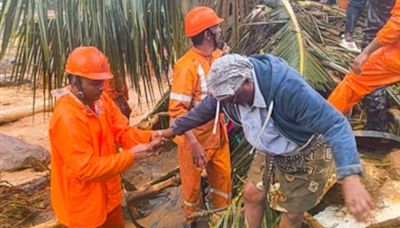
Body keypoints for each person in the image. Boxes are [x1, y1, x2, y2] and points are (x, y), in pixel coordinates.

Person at [163, 54, 374, 227]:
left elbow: (336, 124)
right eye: (224, 99)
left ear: (248, 80)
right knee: (252, 194)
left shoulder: (289, 89)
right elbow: (206, 108)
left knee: (291, 216)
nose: (229, 103)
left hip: (305, 151)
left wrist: (350, 178)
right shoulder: (229, 90)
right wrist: (173, 130)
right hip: (270, 146)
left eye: (232, 97)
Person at [49, 46, 164, 227]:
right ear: (75, 81)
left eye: (102, 81)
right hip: (83, 209)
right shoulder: (67, 117)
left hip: (110, 198)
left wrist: (149, 137)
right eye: (95, 83)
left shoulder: (101, 101)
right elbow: (86, 169)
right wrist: (131, 155)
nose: (102, 87)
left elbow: (123, 131)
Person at [168, 6, 232, 225]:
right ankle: (192, 221)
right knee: (192, 190)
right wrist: (194, 144)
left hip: (218, 136)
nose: (220, 30)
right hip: (193, 142)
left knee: (223, 183)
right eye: (217, 27)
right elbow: (177, 115)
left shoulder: (217, 56)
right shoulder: (186, 67)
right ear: (207, 34)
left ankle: (220, 219)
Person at [328, 0, 400, 114]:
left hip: (394, 56)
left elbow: (396, 25)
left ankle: (323, 123)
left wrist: (366, 52)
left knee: (353, 83)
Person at [360, 0, 396, 131]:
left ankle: (377, 130)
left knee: (372, 82)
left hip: (377, 37)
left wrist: (366, 51)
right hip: (388, 37)